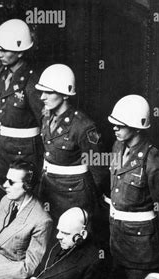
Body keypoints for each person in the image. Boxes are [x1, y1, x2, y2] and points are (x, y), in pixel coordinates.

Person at [104, 95, 159, 279]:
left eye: (121, 125)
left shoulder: (153, 161)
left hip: (142, 248)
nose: (115, 128)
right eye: (114, 123)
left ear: (136, 127)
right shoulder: (117, 146)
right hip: (118, 238)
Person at [36, 64, 106, 222]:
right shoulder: (46, 117)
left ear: (65, 94)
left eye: (48, 92)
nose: (42, 97)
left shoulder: (84, 126)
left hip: (73, 195)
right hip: (48, 188)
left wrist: (91, 199)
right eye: (42, 91)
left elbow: (99, 171)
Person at [0, 19, 44, 183]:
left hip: (25, 151)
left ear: (20, 52)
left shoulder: (32, 81)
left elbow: (45, 120)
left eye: (4, 50)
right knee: (3, 191)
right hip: (2, 148)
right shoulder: (2, 73)